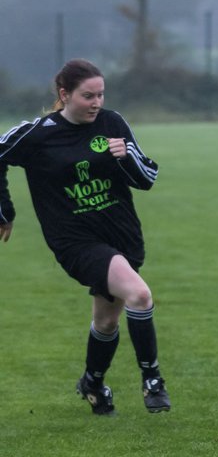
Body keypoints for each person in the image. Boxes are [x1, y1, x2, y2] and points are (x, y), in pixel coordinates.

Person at [1, 59, 171, 416]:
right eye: (88, 95)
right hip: (75, 240)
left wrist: (126, 157)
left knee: (107, 321)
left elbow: (146, 179)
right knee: (139, 295)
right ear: (65, 95)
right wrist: (4, 210)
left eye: (101, 94)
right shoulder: (38, 133)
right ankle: (152, 379)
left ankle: (92, 383)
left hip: (122, 234)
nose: (96, 102)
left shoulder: (113, 123)